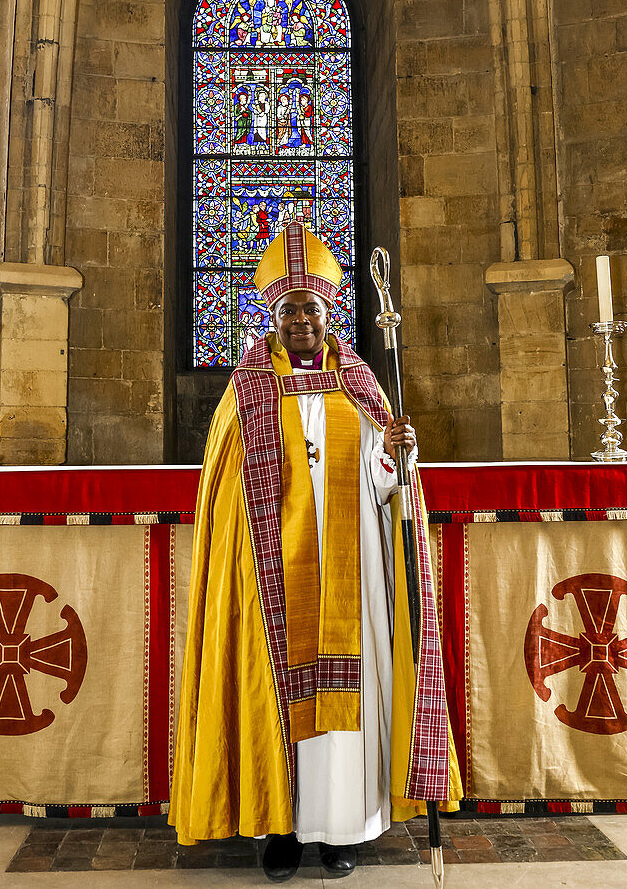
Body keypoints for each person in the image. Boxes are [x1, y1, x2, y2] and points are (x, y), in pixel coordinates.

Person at [170, 221, 462, 880]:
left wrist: (397, 454)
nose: (301, 318)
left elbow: (389, 482)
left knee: (350, 709)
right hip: (270, 577)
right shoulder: (244, 393)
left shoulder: (360, 385)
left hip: (351, 571)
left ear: (330, 316)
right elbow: (225, 492)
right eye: (289, 310)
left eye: (312, 309)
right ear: (272, 319)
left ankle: (343, 833)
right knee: (275, 693)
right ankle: (282, 830)